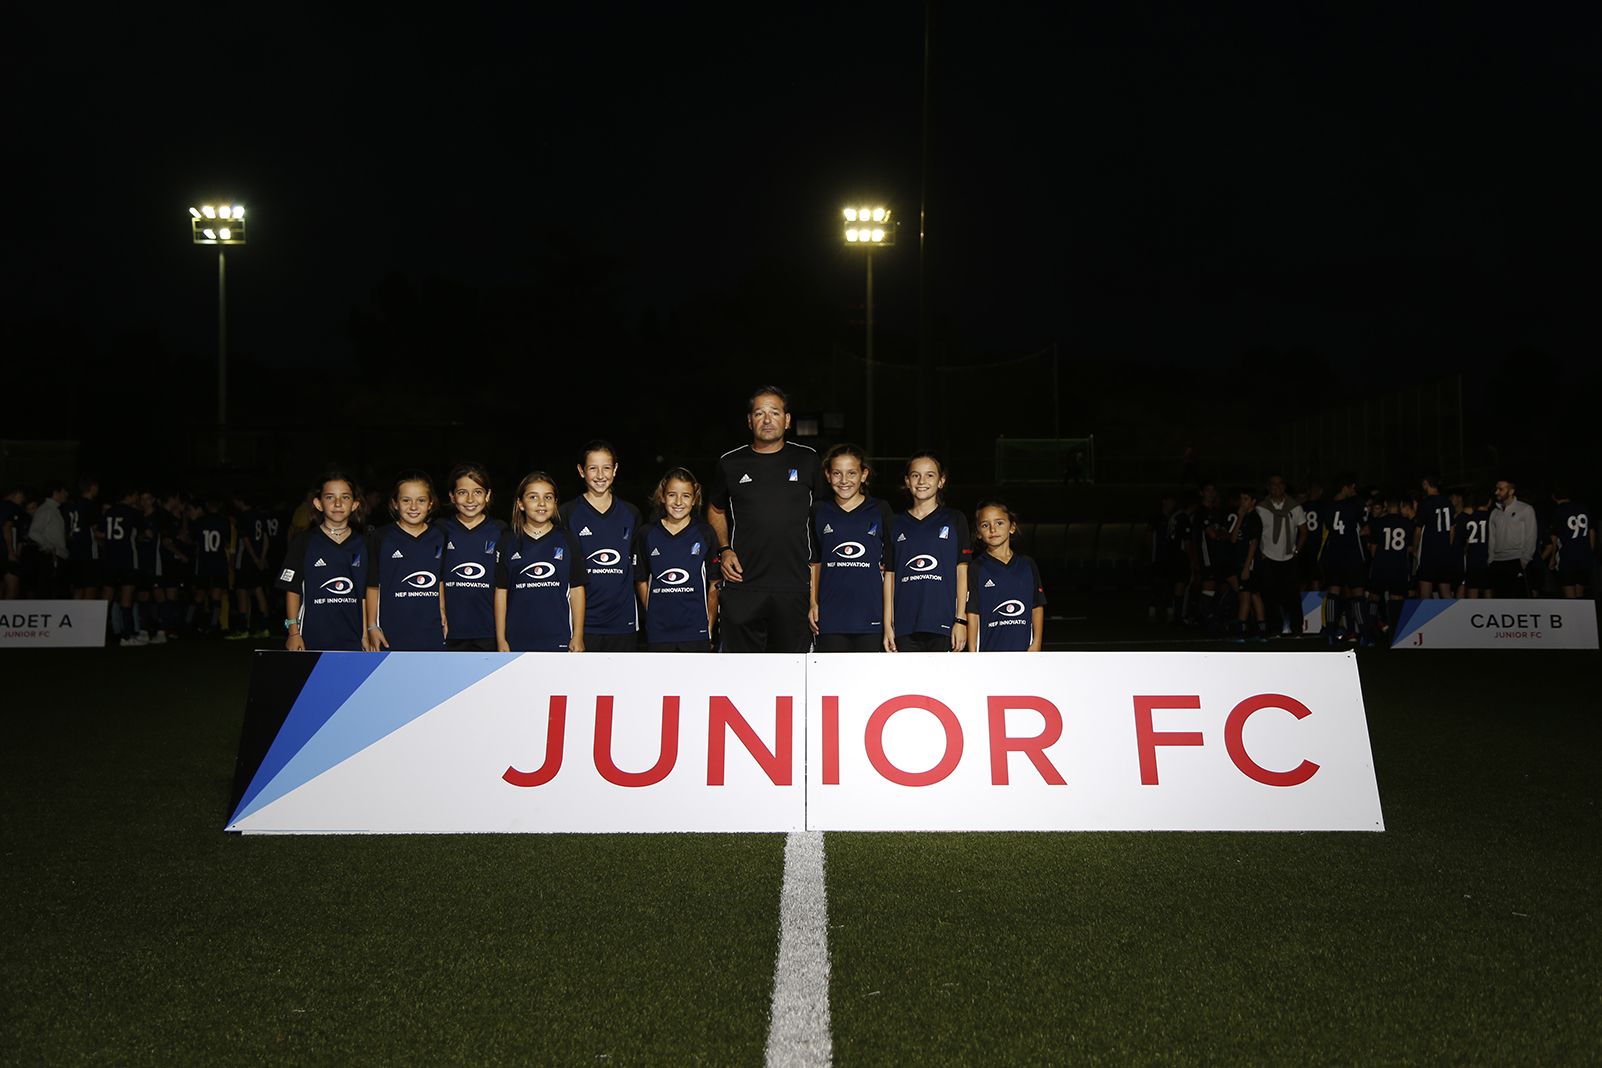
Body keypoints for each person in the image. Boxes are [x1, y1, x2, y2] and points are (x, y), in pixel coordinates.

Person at [706, 386, 821, 653]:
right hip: (743, 585)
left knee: (792, 674)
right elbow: (715, 509)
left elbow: (827, 517)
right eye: (759, 413)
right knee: (741, 672)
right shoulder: (730, 463)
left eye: (774, 412)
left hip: (794, 586)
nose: (767, 420)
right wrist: (724, 549)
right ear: (749, 421)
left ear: (787, 420)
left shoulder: (807, 459)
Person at [810, 444, 895, 652]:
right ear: (828, 476)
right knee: (831, 684)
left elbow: (891, 567)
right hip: (830, 618)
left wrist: (888, 622)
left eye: (851, 473)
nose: (844, 480)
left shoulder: (880, 510)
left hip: (871, 618)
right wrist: (813, 603)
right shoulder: (819, 511)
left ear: (864, 475)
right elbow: (815, 562)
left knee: (868, 683)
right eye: (837, 473)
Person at [560, 440, 642, 652]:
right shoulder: (567, 513)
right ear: (581, 471)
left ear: (615, 469)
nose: (600, 475)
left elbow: (638, 569)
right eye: (592, 468)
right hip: (582, 624)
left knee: (622, 684)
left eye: (606, 467)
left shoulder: (631, 513)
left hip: (623, 623)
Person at [885, 451, 971, 652]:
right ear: (907, 481)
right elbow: (890, 576)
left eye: (930, 475)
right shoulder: (894, 523)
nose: (922, 481)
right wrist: (888, 625)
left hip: (944, 624)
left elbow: (962, 572)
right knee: (907, 684)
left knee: (942, 683)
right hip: (904, 625)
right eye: (915, 475)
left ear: (941, 481)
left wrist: (961, 620)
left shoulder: (955, 519)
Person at [495, 472, 587, 652]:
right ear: (520, 503)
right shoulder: (507, 541)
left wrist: (578, 635)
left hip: (559, 637)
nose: (542, 503)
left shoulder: (567, 540)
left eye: (548, 497)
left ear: (555, 503)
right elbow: (501, 592)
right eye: (533, 497)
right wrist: (501, 638)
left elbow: (577, 590)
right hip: (516, 638)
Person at [276, 473, 366, 651]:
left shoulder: (366, 544)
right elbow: (292, 589)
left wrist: (368, 632)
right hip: (313, 636)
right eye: (330, 497)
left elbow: (368, 593)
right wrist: (294, 633)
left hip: (355, 637)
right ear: (318, 503)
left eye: (345, 497)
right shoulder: (303, 542)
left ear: (355, 504)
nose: (338, 504)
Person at [633, 467, 719, 652]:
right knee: (661, 681)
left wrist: (709, 628)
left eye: (686, 496)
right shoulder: (647, 534)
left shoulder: (705, 534)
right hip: (659, 634)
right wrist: (653, 613)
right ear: (662, 496)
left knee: (695, 681)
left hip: (696, 632)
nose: (678, 502)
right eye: (672, 494)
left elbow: (715, 583)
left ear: (695, 499)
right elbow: (640, 579)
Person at [363, 471, 447, 652]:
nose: (413, 507)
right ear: (395, 503)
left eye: (421, 500)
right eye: (406, 500)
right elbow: (372, 586)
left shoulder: (439, 536)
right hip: (391, 633)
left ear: (430, 503)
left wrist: (442, 612)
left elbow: (439, 579)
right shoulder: (381, 537)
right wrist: (371, 626)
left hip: (430, 631)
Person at [440, 463, 506, 652]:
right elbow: (436, 577)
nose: (470, 499)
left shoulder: (501, 531)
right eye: (462, 492)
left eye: (477, 492)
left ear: (488, 495)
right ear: (452, 496)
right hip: (449, 631)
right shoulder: (439, 530)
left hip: (489, 632)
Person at [965, 499, 1046, 652]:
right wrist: (972, 651)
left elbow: (1036, 606)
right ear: (978, 533)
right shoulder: (976, 568)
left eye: (999, 523)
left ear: (1012, 527)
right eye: (985, 525)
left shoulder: (1027, 565)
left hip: (1023, 652)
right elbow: (973, 614)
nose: (993, 529)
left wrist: (1036, 643)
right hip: (989, 652)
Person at [1253, 474, 1305, 637]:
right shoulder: (1261, 508)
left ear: (1284, 487)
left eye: (1280, 484)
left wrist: (1297, 550)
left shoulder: (1294, 507)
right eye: (1273, 484)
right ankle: (1275, 629)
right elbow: (1255, 532)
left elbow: (1304, 531)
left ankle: (1296, 629)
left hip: (1289, 557)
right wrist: (1260, 553)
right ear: (1268, 488)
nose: (1277, 487)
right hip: (1268, 557)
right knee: (1270, 596)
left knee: (1293, 596)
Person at [1321, 474, 1368, 642]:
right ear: (1345, 487)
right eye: (1352, 487)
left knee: (1333, 591)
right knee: (1357, 592)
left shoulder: (1327, 506)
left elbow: (1327, 527)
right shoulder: (1353, 506)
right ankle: (1364, 634)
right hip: (1351, 554)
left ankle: (1331, 634)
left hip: (1333, 553)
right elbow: (1365, 527)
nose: (1353, 491)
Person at [1366, 495, 1415, 644]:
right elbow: (1410, 548)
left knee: (1374, 598)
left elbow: (1373, 549)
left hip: (1381, 565)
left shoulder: (1378, 523)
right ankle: (1396, 634)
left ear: (1386, 504)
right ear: (1400, 505)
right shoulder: (1407, 524)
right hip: (1398, 566)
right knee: (1396, 599)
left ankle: (1370, 632)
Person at [100, 489, 146, 645]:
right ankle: (127, 636)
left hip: (110, 558)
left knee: (107, 598)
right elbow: (144, 533)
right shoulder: (133, 513)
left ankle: (98, 633)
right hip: (127, 559)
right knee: (127, 598)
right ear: (129, 495)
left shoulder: (109, 512)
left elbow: (101, 533)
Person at [229, 494, 273, 639]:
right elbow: (266, 538)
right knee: (259, 590)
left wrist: (255, 558)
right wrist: (262, 557)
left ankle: (243, 629)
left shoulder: (242, 517)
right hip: (258, 559)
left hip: (245, 560)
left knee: (242, 591)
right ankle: (264, 627)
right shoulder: (260, 516)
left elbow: (245, 540)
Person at [190, 497, 233, 636]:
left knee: (200, 595)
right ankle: (213, 625)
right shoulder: (224, 522)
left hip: (204, 562)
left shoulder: (200, 522)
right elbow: (227, 543)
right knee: (216, 596)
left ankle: (193, 624)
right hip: (218, 562)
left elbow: (195, 542)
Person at [1487, 477, 1536, 598]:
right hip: (1498, 563)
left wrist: (1525, 559)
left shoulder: (1525, 509)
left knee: (1520, 600)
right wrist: (1491, 559)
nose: (1496, 492)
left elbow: (1531, 536)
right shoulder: (1494, 513)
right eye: (1496, 489)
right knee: (1501, 601)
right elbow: (1492, 538)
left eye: (1501, 489)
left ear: (1511, 491)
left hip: (1516, 561)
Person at [1545, 486, 1595, 599]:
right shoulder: (1583, 508)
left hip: (1567, 557)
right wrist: (1589, 551)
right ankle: (1582, 616)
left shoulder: (1558, 512)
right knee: (1580, 595)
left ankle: (1575, 616)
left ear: (1553, 497)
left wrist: (1552, 558)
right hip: (1584, 557)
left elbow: (1554, 538)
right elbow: (1591, 531)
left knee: (1570, 598)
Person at [1413, 473, 1456, 598]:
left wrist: (1415, 549)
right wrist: (1447, 547)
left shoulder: (1425, 503)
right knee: (1446, 593)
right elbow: (1452, 529)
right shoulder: (1447, 502)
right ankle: (1451, 617)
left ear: (1426, 483)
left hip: (1429, 552)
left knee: (1425, 592)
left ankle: (1426, 617)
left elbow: (1418, 530)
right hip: (1444, 552)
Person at [1234, 487, 1267, 642]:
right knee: (1254, 594)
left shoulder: (1254, 518)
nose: (1242, 502)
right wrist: (1239, 518)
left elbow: (1254, 544)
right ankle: (1261, 632)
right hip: (1244, 561)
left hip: (1250, 563)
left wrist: (1247, 567)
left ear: (1253, 502)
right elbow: (1233, 539)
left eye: (1246, 499)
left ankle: (1241, 632)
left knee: (1246, 595)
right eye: (1241, 498)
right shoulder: (1244, 517)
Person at [26, 483, 70, 598]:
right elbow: (33, 532)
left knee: (55, 593)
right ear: (55, 493)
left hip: (56, 557)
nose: (67, 494)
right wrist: (50, 546)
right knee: (49, 593)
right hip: (50, 558)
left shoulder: (54, 510)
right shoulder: (46, 509)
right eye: (64, 492)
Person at [63, 477, 101, 600]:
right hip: (88, 550)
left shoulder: (72, 505)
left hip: (74, 550)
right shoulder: (90, 505)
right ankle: (87, 617)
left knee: (78, 587)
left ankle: (75, 616)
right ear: (93, 487)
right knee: (90, 586)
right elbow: (95, 530)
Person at [1454, 492, 1492, 598]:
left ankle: (1472, 614)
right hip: (1488, 558)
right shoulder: (1492, 518)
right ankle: (1489, 613)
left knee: (1472, 591)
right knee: (1488, 589)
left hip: (1472, 559)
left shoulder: (1469, 518)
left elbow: (1460, 541)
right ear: (1489, 502)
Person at [1, 486, 26, 599]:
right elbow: (7, 527)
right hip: (6, 554)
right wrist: (11, 552)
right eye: (21, 497)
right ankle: (8, 615)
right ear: (16, 494)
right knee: (13, 589)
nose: (22, 500)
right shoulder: (11, 507)